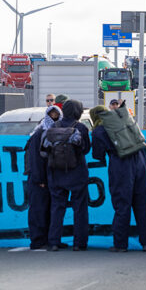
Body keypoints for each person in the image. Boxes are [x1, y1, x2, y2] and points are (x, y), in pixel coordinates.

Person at [90, 106, 146, 252]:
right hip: (140, 161)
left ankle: (120, 244)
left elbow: (97, 155)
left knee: (122, 204)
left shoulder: (99, 130)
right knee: (142, 203)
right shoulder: (122, 120)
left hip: (120, 164)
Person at [42, 99, 91, 251]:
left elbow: (45, 149)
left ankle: (54, 241)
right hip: (77, 172)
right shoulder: (81, 127)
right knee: (80, 208)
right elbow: (86, 149)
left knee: (57, 208)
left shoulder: (54, 126)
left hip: (56, 173)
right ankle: (79, 243)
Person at [25, 105, 64, 249]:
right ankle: (37, 240)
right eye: (51, 115)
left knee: (49, 210)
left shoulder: (56, 132)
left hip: (50, 177)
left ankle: (49, 239)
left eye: (56, 115)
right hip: (39, 179)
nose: (54, 118)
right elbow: (34, 159)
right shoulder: (39, 134)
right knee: (38, 210)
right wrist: (39, 179)